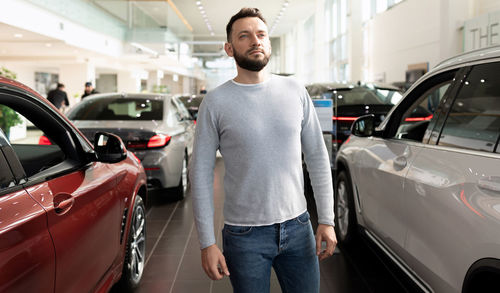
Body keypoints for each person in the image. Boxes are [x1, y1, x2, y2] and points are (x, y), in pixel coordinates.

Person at [189, 7, 337, 293]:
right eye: (244, 36)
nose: (255, 41)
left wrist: (327, 220)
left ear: (269, 43)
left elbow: (318, 157)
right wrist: (207, 243)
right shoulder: (216, 102)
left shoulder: (295, 90)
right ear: (229, 49)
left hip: (299, 227)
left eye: (261, 35)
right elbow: (201, 174)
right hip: (244, 235)